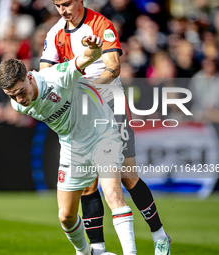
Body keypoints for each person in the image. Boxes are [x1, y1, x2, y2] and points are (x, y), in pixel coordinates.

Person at [39, 1, 171, 255]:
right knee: (89, 184)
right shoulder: (54, 33)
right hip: (81, 113)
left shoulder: (101, 24)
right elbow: (46, 74)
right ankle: (98, 250)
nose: (62, 10)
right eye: (57, 5)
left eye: (66, 3)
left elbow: (113, 67)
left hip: (111, 104)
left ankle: (160, 235)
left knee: (127, 175)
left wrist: (86, 89)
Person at [0, 35, 136, 255]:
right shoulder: (18, 105)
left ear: (30, 78)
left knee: (112, 194)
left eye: (20, 92)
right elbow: (20, 101)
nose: (19, 100)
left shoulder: (56, 77)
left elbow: (87, 57)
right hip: (73, 146)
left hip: (102, 133)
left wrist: (93, 48)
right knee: (66, 216)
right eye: (11, 96)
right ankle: (86, 253)